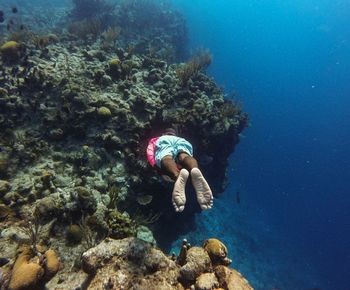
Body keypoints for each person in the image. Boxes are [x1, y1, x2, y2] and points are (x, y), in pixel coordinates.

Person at [146, 128, 213, 212]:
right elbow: (186, 158)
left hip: (165, 141)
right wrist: (187, 166)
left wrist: (157, 165)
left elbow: (150, 152)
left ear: (164, 134)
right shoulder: (180, 139)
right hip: (183, 142)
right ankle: (194, 169)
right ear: (175, 134)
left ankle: (177, 176)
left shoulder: (158, 139)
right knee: (184, 157)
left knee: (166, 157)